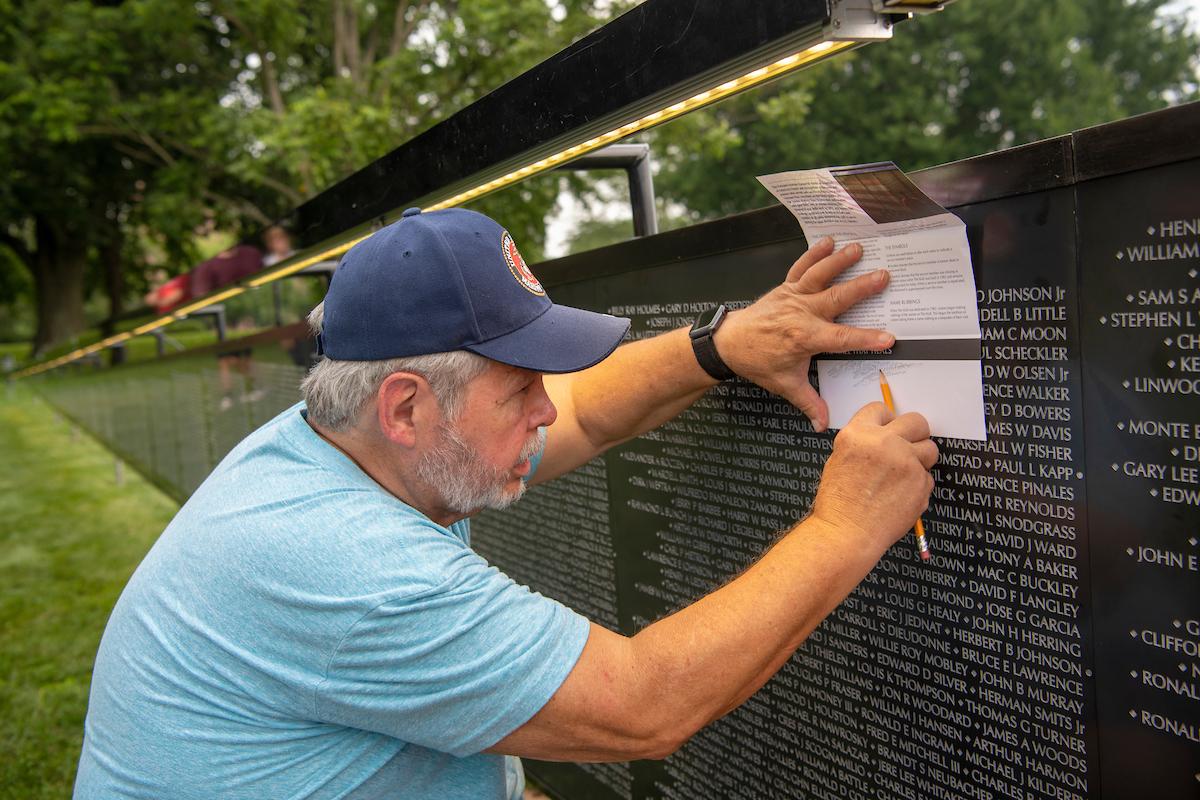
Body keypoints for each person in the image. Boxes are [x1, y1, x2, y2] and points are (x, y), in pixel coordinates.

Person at [74, 208, 936, 799]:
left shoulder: (338, 441)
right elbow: (644, 707)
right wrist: (846, 524)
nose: (547, 407)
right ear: (406, 406)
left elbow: (591, 408)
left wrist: (721, 345)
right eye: (522, 386)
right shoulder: (353, 568)